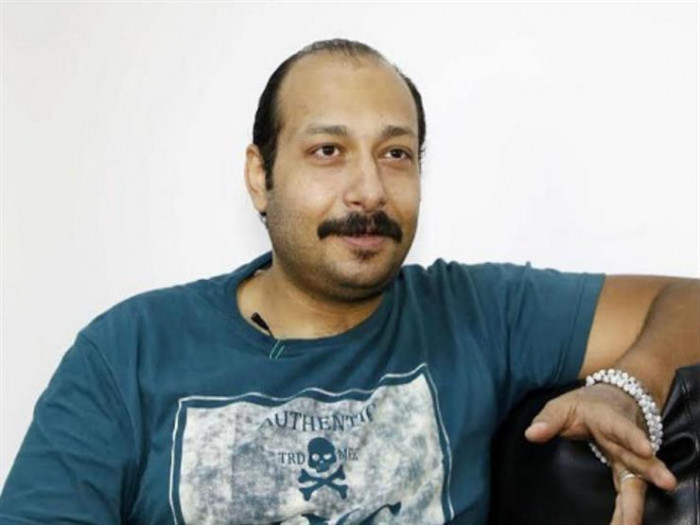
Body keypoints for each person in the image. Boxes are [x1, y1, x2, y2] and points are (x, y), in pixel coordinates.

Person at [0, 39, 697, 525]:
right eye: (327, 151)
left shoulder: (475, 311)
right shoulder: (129, 350)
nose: (369, 189)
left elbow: (687, 301)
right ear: (260, 176)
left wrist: (628, 384)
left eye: (396, 153)